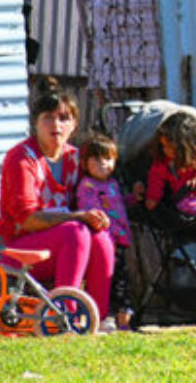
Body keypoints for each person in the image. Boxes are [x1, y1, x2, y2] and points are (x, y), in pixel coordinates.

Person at [0, 79, 114, 324]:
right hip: (18, 253)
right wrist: (78, 217)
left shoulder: (76, 159)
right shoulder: (22, 158)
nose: (56, 125)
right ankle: (64, 315)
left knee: (101, 237)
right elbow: (27, 220)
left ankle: (97, 319)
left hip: (61, 248)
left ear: (74, 125)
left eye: (64, 118)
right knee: (76, 230)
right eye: (48, 117)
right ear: (35, 122)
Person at [76, 134, 133, 332]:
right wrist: (103, 223)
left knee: (122, 282)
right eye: (97, 160)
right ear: (85, 163)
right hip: (105, 241)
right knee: (106, 280)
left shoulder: (113, 185)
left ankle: (124, 321)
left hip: (120, 241)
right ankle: (104, 317)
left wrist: (135, 197)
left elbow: (121, 206)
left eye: (108, 159)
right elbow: (90, 210)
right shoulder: (87, 186)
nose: (104, 164)